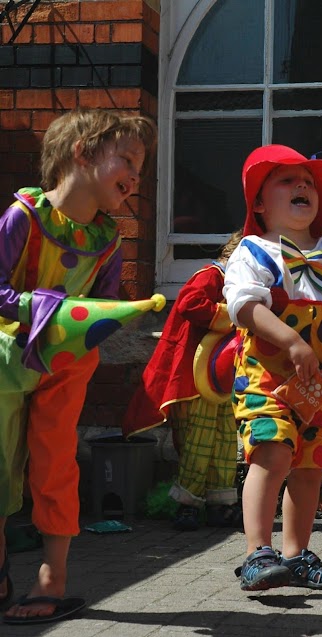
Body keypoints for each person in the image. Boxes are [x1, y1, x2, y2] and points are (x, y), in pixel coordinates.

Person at [0, 108, 157, 624]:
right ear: (83, 153)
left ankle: (53, 578)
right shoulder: (24, 217)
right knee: (1, 462)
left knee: (55, 464)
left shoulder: (108, 240)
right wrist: (34, 307)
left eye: (142, 166)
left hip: (67, 367)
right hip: (6, 358)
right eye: (128, 159)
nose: (137, 175)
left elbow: (103, 304)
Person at [223, 144, 322, 592]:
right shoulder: (253, 250)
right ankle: (256, 553)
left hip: (315, 385)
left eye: (308, 181)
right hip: (265, 377)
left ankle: (297, 554)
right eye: (287, 180)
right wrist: (290, 341)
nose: (302, 185)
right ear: (260, 204)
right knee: (273, 451)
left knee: (309, 464)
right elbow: (243, 305)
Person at [122, 230, 244, 532]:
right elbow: (190, 304)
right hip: (194, 377)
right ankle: (187, 506)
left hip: (219, 377)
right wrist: (229, 314)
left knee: (225, 442)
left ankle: (220, 504)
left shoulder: (236, 284)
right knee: (199, 443)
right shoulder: (210, 276)